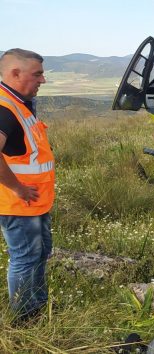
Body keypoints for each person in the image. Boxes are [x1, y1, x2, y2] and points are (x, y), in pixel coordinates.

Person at [0, 49, 53, 324]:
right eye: (37, 74)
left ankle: (36, 306)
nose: (42, 80)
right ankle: (22, 319)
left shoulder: (19, 103)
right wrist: (19, 188)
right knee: (24, 258)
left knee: (39, 253)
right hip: (18, 204)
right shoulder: (5, 109)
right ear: (15, 74)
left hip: (34, 202)